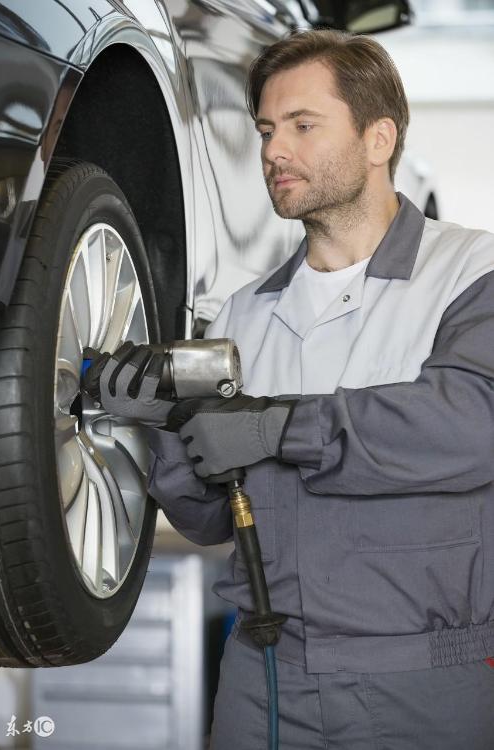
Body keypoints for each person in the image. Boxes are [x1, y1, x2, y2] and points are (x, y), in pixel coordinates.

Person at [91, 29, 494, 749]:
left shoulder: (469, 273)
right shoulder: (243, 317)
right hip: (262, 671)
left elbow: (472, 424)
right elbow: (215, 520)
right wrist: (163, 424)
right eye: (268, 131)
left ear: (379, 139)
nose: (275, 151)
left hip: (422, 677)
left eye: (304, 126)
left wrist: (277, 426)